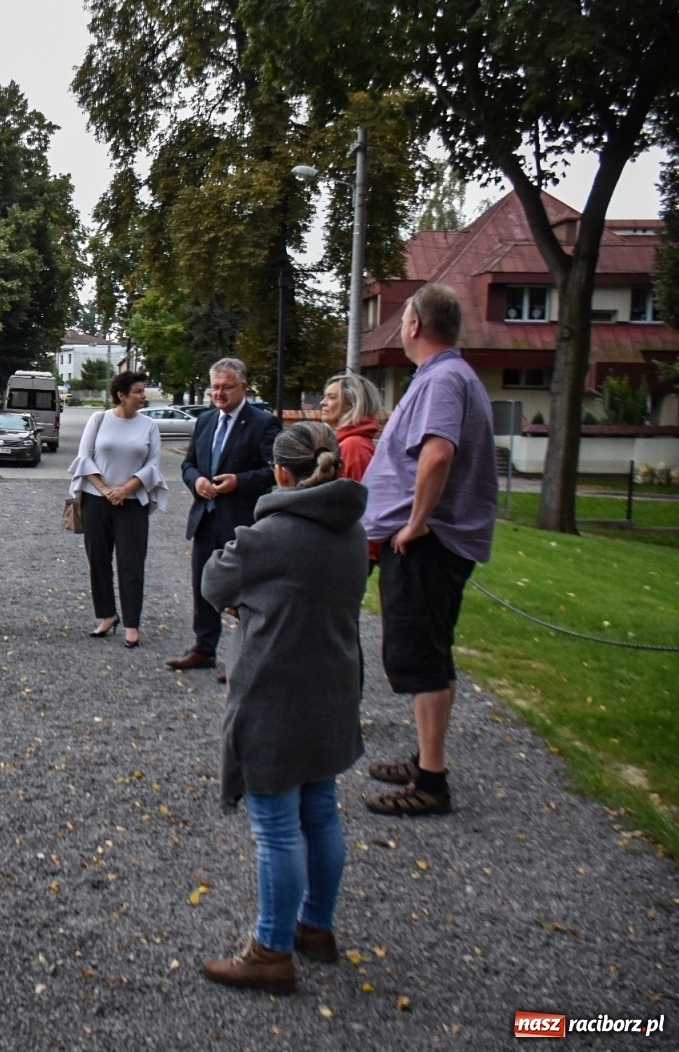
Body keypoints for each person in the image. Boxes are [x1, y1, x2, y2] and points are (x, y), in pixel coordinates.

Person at [199, 422, 369, 994]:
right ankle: (316, 928)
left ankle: (270, 949)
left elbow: (213, 581)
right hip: (334, 689)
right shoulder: (350, 528)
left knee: (276, 829)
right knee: (321, 811)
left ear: (279, 472)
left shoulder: (270, 534)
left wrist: (250, 603)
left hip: (276, 694)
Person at [361, 283, 497, 816]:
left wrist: (415, 524)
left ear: (415, 325)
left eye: (402, 319)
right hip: (429, 541)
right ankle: (426, 760)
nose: (399, 327)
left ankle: (431, 782)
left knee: (422, 658)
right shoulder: (448, 375)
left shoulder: (442, 379)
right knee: (429, 654)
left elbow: (438, 454)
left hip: (428, 544)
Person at [169, 358, 279, 678]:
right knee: (204, 585)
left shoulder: (262, 423)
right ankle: (204, 649)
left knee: (243, 591)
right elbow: (188, 464)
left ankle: (244, 656)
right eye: (214, 387)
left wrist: (239, 482)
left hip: (242, 521)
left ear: (244, 387)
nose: (219, 393)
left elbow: (274, 470)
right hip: (206, 518)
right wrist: (197, 482)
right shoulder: (204, 421)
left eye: (226, 387)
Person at [68, 370, 169, 647]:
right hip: (96, 500)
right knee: (98, 560)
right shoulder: (98, 420)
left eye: (143, 390)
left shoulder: (149, 426)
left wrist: (125, 490)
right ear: (121, 395)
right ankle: (106, 615)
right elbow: (84, 458)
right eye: (138, 391)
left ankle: (132, 624)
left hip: (132, 503)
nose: (143, 396)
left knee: (131, 563)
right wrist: (105, 490)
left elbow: (152, 465)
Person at [319, 371, 383, 482]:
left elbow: (355, 497)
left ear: (352, 404)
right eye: (324, 397)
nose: (322, 402)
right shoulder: (349, 443)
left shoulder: (353, 447)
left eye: (331, 397)